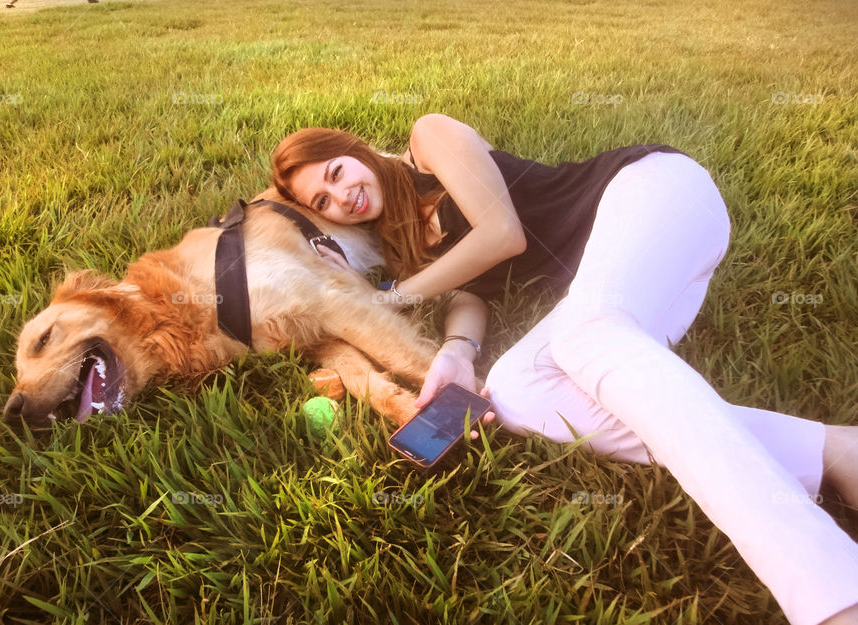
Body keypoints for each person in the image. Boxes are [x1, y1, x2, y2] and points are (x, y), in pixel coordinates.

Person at [270, 114, 858, 625]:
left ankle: (833, 592)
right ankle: (834, 452)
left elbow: (503, 235)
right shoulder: (411, 252)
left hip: (653, 196)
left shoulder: (429, 141)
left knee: (583, 337)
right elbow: (472, 296)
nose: (341, 194)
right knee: (517, 391)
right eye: (321, 201)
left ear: (353, 149)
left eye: (336, 171)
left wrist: (393, 297)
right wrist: (457, 352)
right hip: (618, 289)